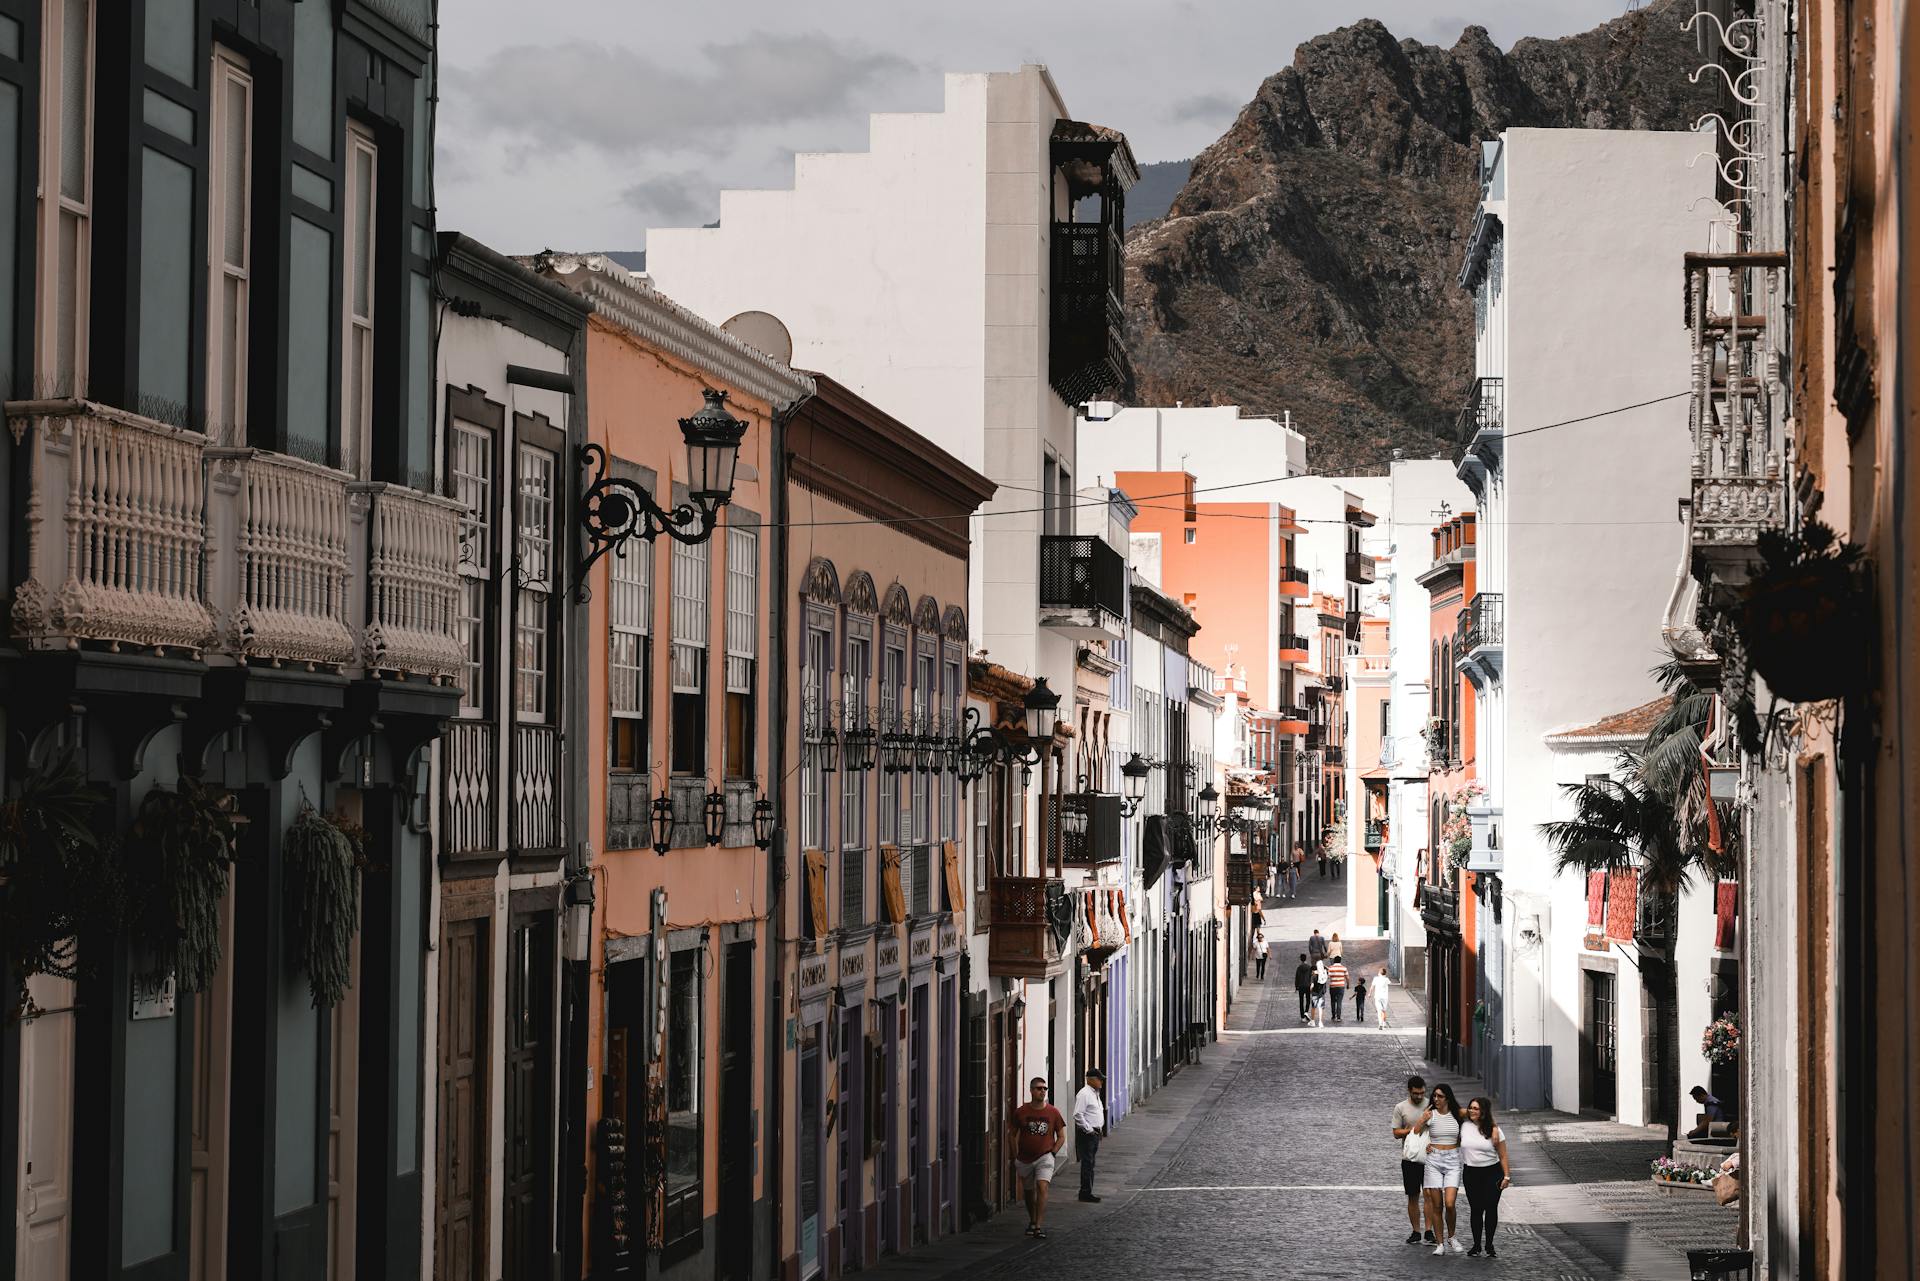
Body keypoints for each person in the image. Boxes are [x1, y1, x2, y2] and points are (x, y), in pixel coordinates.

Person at [1008, 1077, 1066, 1237]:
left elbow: (1061, 1136)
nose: (1042, 1091)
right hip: (1025, 1158)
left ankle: (1038, 1225)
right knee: (1028, 1192)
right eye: (1039, 1088)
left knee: (1042, 1187)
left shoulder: (1053, 1112)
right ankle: (1032, 1220)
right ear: (1031, 1091)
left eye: (1044, 1089)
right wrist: (1015, 1155)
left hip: (1045, 1156)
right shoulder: (1021, 1112)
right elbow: (1012, 1135)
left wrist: (1053, 1152)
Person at [1415, 1083, 1467, 1255]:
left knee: (1450, 1204)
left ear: (1448, 1098)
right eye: (1435, 1096)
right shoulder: (1431, 1114)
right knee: (1437, 1205)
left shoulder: (1458, 1113)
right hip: (1434, 1160)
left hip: (1452, 1160)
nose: (1436, 1099)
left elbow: (1480, 1114)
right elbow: (1416, 1131)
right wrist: (1422, 1119)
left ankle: (1452, 1237)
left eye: (1440, 1096)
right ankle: (1440, 1243)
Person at [1461, 1096, 1512, 1257]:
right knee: (1476, 1209)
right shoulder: (1464, 1126)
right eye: (1470, 1108)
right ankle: (1476, 1245)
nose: (1472, 1111)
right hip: (1471, 1173)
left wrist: (1506, 1177)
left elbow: (1503, 1155)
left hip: (1492, 1173)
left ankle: (1489, 1245)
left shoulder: (1495, 1131)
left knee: (1490, 1208)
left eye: (1476, 1108)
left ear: (1483, 1111)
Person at [1391, 1076, 1434, 1246]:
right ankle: (1416, 1231)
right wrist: (1410, 1131)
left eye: (1422, 1093)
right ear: (1409, 1091)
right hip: (1410, 1157)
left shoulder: (1431, 1104)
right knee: (1413, 1195)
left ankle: (1429, 1231)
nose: (1419, 1096)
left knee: (1430, 1195)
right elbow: (1396, 1133)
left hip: (1430, 1156)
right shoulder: (1400, 1108)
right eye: (1416, 1093)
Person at [1073, 1069, 1108, 1203]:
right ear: (1090, 1079)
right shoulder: (1084, 1094)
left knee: (1091, 1163)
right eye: (1099, 1079)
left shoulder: (1094, 1093)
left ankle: (1088, 1190)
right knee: (1087, 1163)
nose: (1101, 1082)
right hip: (1088, 1135)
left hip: (1094, 1133)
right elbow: (1078, 1114)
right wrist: (1089, 1129)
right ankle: (1085, 1192)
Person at [1325, 956, 1349, 1023]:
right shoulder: (1344, 968)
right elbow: (1347, 977)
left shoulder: (1331, 968)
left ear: (1334, 961)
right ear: (1340, 961)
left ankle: (1333, 1016)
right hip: (1341, 986)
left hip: (1333, 986)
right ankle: (1338, 1017)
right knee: (1339, 1002)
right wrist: (1348, 985)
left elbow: (1328, 977)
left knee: (1333, 1001)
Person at [1294, 952, 1313, 1023]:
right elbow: (1311, 977)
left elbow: (1297, 978)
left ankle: (1302, 1017)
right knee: (1308, 1000)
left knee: (1301, 1001)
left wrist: (1296, 986)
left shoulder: (1299, 968)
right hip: (1307, 985)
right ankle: (1306, 1012)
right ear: (1306, 959)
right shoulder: (1309, 967)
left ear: (1300, 959)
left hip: (1301, 986)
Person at [1310, 958, 1329, 1027]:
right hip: (1322, 993)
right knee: (1320, 1008)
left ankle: (1313, 1021)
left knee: (1313, 1007)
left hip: (1315, 993)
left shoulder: (1314, 975)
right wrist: (1324, 967)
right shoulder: (1324, 974)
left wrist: (1310, 990)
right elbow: (1328, 969)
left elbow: (1312, 986)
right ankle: (1320, 1022)